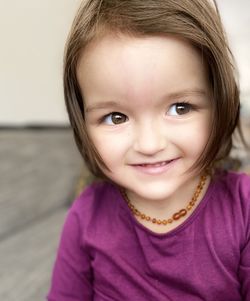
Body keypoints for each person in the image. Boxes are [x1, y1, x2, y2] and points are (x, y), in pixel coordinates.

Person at [47, 0, 250, 300]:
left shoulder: (244, 210)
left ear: (220, 103)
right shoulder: (86, 216)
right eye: (116, 117)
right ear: (83, 123)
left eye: (180, 108)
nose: (150, 144)